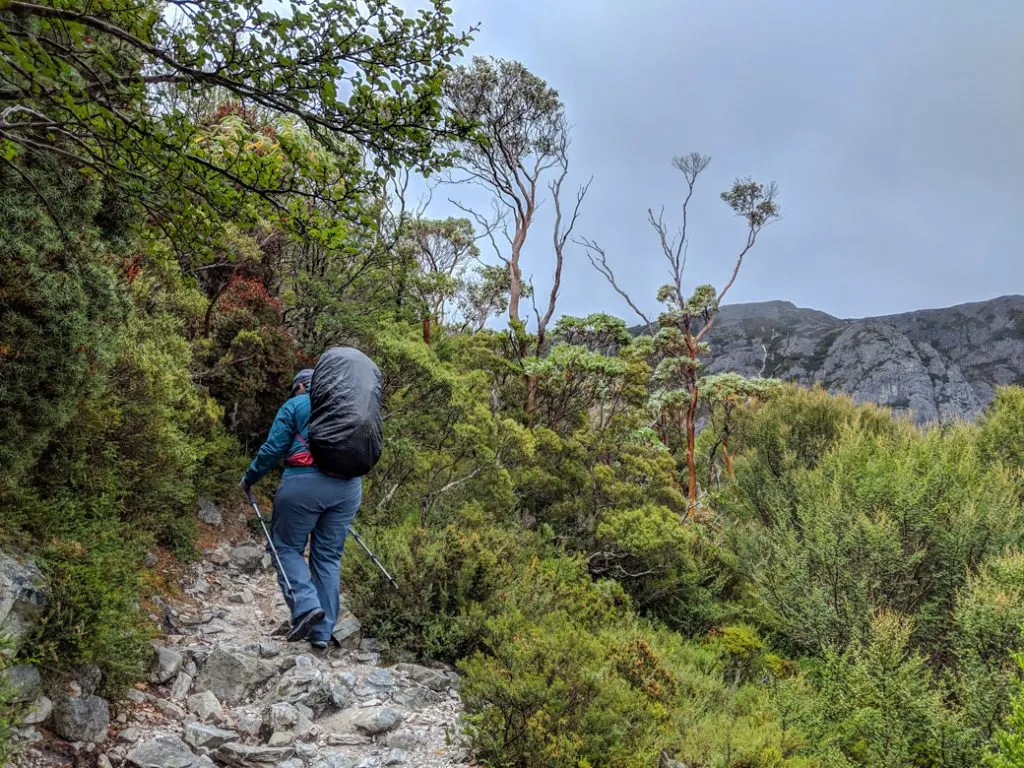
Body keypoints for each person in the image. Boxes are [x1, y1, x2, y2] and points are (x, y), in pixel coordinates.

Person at [240, 368, 362, 649]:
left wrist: (250, 478)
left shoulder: (295, 404)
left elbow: (273, 449)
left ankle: (306, 606)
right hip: (350, 488)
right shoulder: (345, 403)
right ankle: (321, 633)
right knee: (328, 557)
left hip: (305, 482)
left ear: (298, 387)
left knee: (285, 547)